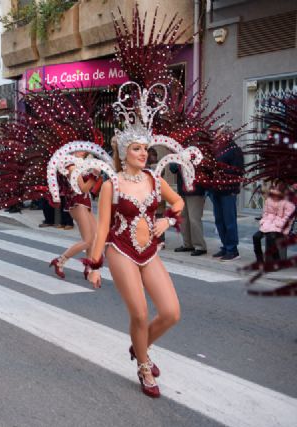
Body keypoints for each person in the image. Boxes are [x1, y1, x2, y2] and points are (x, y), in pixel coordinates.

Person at [84, 82, 196, 398]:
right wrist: (94, 265)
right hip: (121, 250)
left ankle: (139, 346)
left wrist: (167, 219)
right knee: (140, 313)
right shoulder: (111, 186)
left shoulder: (154, 179)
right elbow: (102, 226)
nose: (143, 153)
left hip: (149, 251)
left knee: (172, 312)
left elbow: (179, 203)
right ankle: (144, 366)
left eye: (145, 149)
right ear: (124, 152)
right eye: (136, 148)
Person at [50, 153, 100, 278]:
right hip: (77, 204)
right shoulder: (71, 167)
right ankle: (60, 260)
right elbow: (83, 188)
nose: (83, 150)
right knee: (87, 241)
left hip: (85, 203)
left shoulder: (80, 164)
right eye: (80, 148)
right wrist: (94, 175)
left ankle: (88, 268)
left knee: (95, 237)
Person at [209, 129, 244, 261]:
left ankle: (232, 249)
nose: (217, 136)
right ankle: (225, 246)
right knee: (219, 220)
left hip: (228, 190)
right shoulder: (217, 150)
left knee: (229, 221)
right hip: (216, 189)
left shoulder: (235, 150)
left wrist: (220, 170)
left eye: (220, 134)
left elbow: (239, 170)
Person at [252, 181, 295, 264]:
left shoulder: (288, 203)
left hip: (281, 227)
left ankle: (276, 259)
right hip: (267, 224)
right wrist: (263, 222)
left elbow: (288, 218)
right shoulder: (269, 200)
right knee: (256, 237)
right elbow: (265, 213)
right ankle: (259, 259)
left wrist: (276, 224)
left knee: (270, 237)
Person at [170, 162, 207, 256]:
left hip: (196, 190)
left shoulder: (197, 151)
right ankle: (188, 244)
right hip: (182, 190)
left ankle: (200, 246)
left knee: (194, 218)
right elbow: (173, 169)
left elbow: (203, 168)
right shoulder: (178, 151)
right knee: (183, 218)